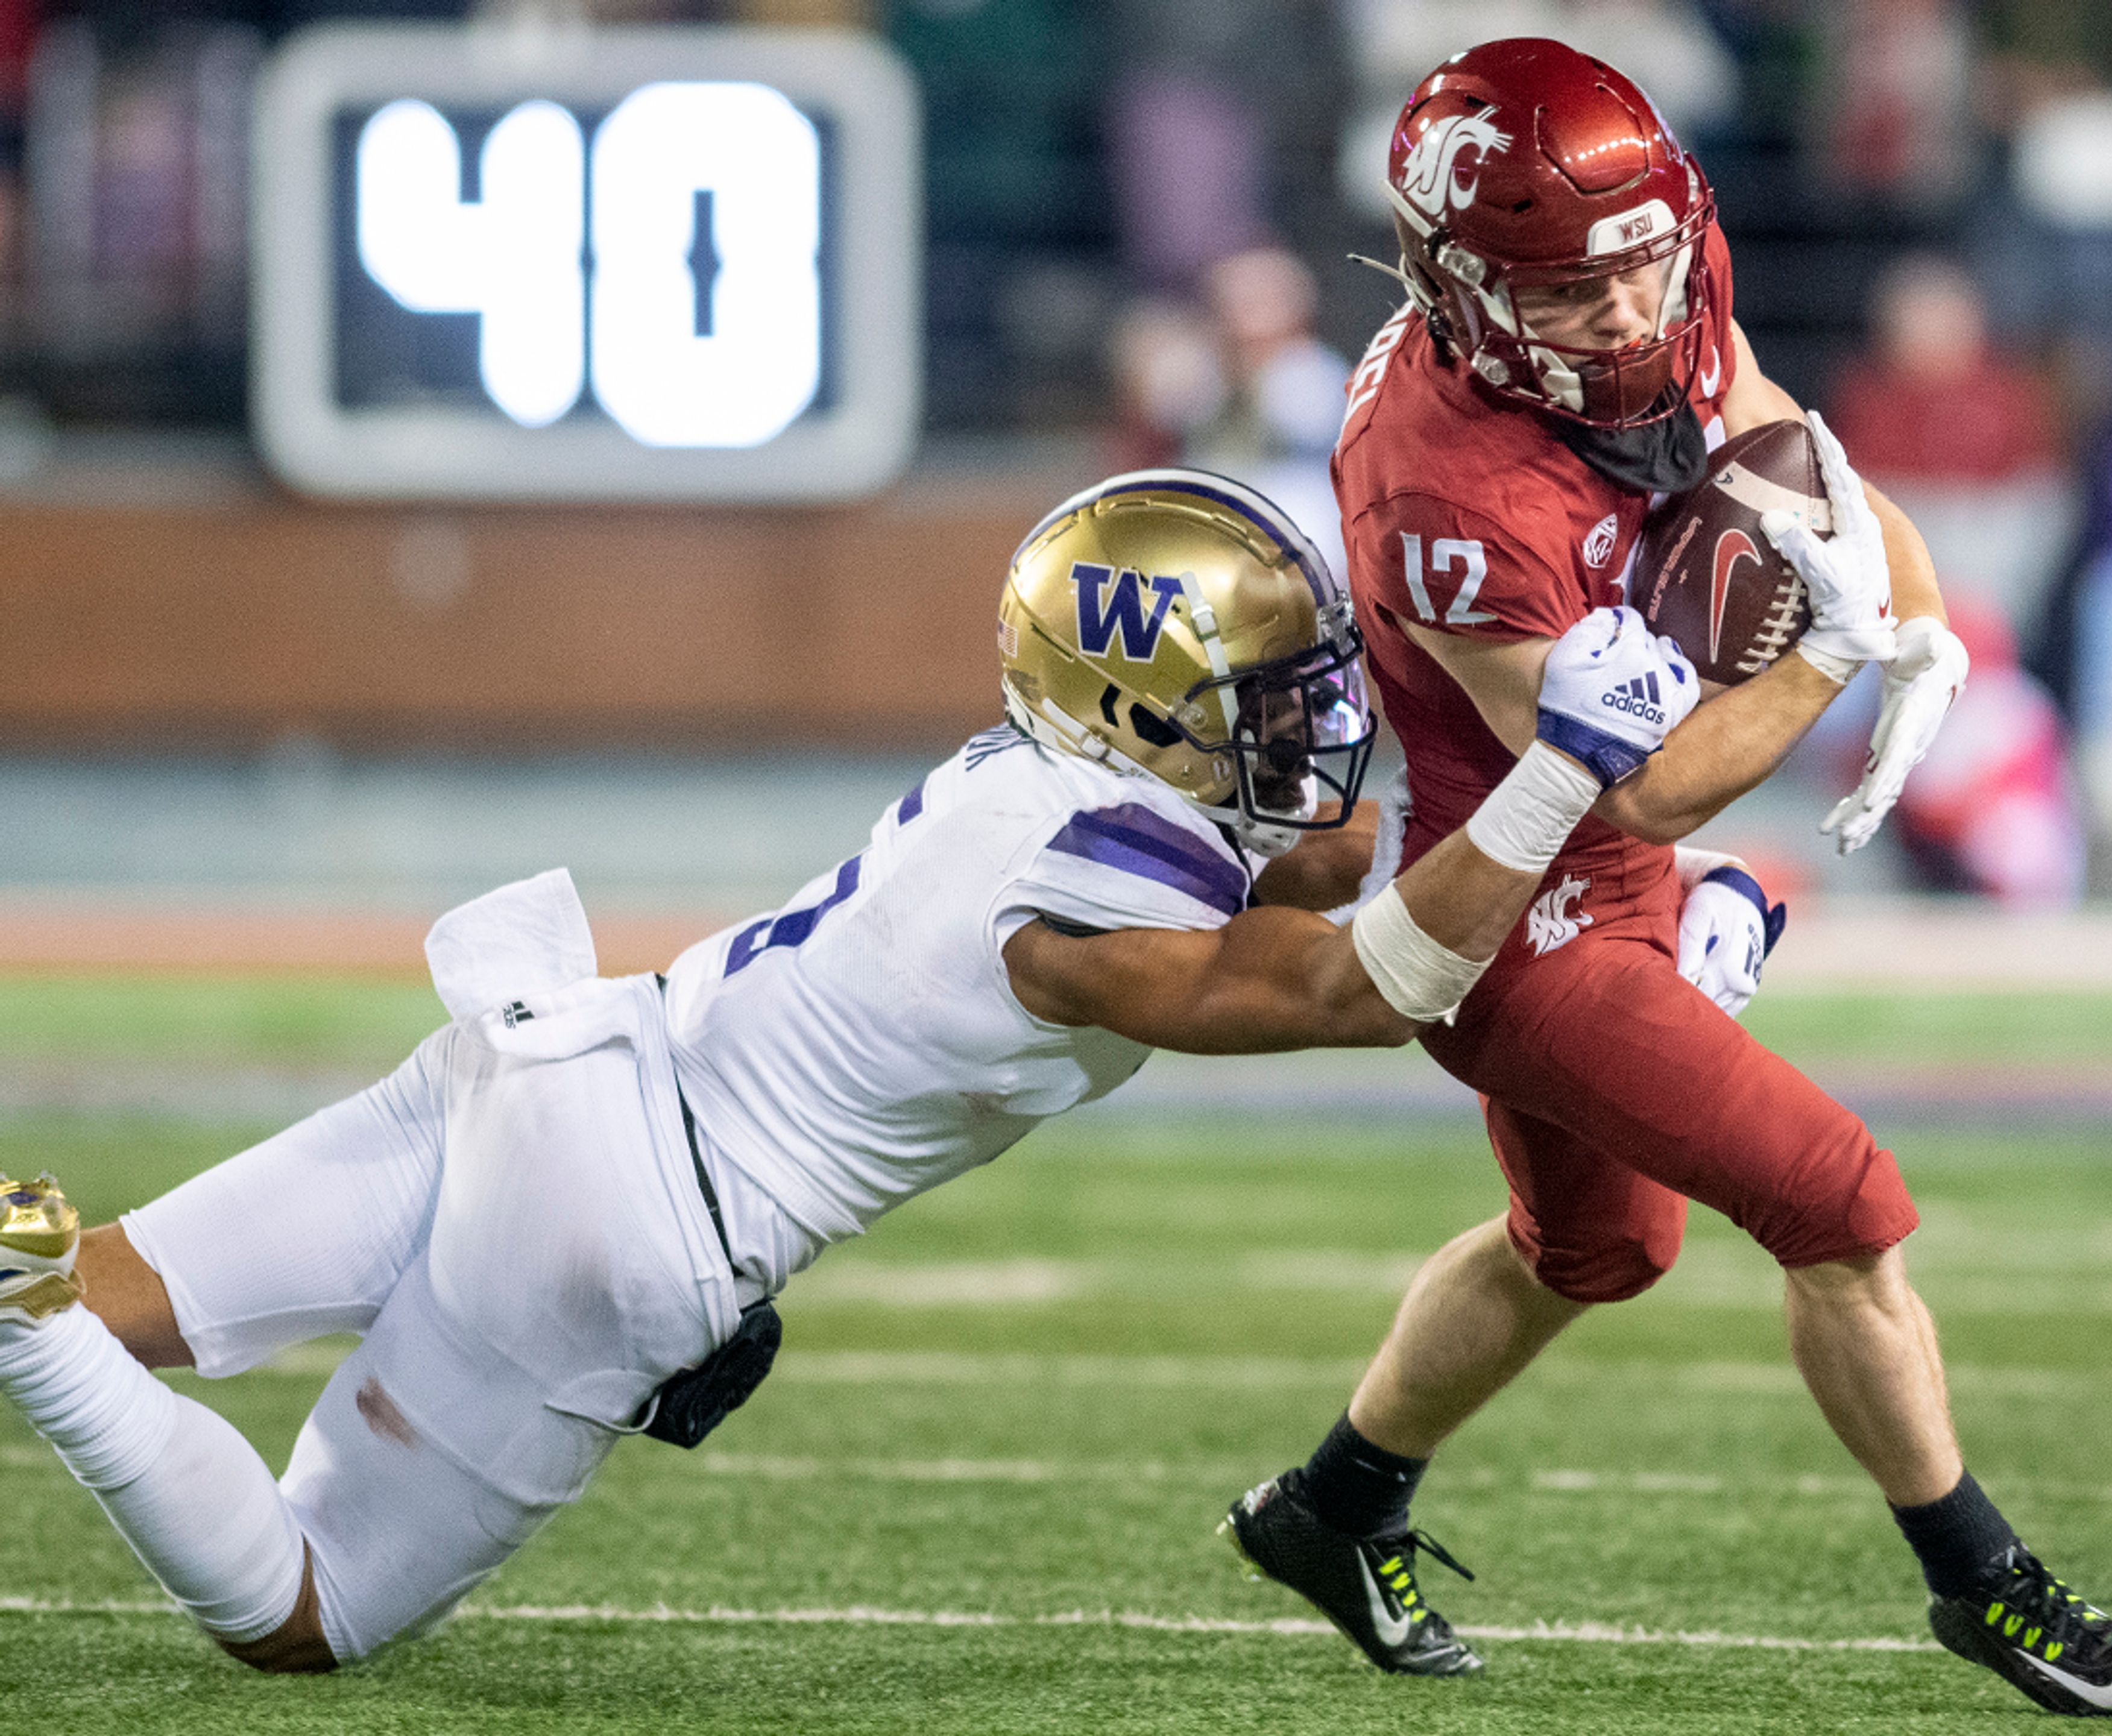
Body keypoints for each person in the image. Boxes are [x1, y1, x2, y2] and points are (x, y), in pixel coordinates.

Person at [0, 468, 1704, 1674]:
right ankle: (41, 1339)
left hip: (563, 1055)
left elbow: (1330, 869)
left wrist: (1600, 890)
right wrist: (1568, 783)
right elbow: (1358, 984)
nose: (1316, 737)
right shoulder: (1086, 907)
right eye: (1271, 704)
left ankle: (34, 1300)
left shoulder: (1038, 779)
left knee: (114, 1276)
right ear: (1138, 707)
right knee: (306, 1609)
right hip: (633, 1214)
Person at [1218, 40, 2112, 1718]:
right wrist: (1832, 662)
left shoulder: (1641, 274)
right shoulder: (1440, 482)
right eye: (1581, 294)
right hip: (1515, 919)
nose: (1635, 315)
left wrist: (1924, 616)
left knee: (1597, 1250)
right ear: (1466, 289)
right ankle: (1987, 1585)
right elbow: (1639, 787)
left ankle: (1332, 1505)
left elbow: (1805, 473)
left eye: (1651, 262)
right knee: (1842, 1206)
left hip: (1622, 865)